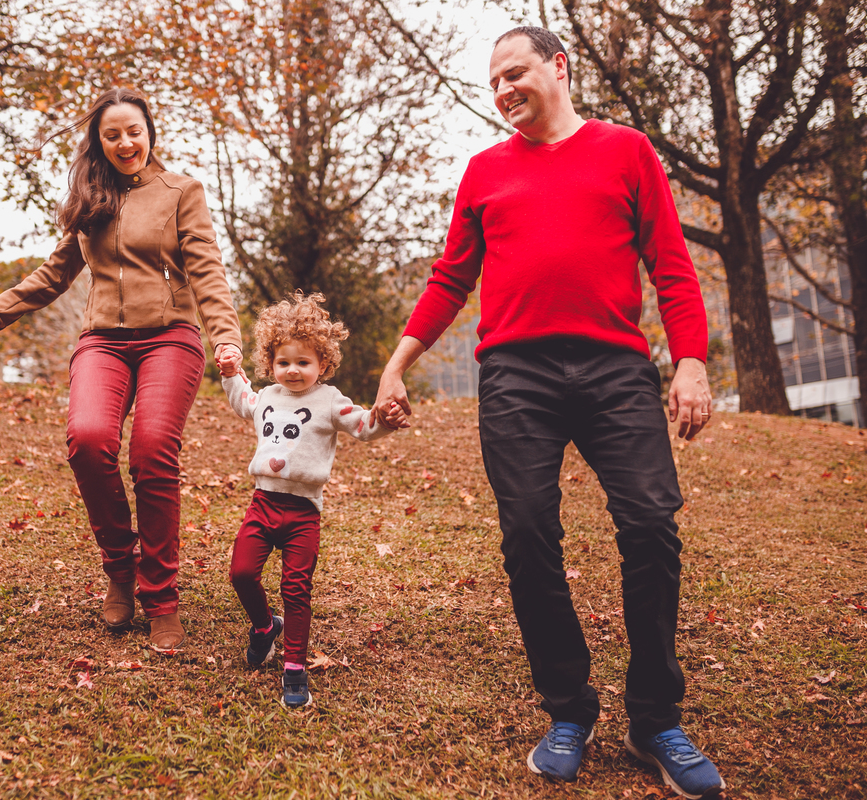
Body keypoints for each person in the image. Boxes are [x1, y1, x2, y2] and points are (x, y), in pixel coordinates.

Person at [370, 26, 725, 799]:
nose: (502, 91)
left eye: (514, 73)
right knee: (528, 529)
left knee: (651, 524)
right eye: (494, 81)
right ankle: (569, 710)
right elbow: (449, 280)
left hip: (616, 367)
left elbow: (671, 265)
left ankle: (656, 718)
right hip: (515, 373)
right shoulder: (485, 172)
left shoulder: (626, 151)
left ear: (558, 67)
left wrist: (691, 360)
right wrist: (398, 364)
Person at [0, 88, 243, 653]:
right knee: (89, 439)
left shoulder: (181, 193)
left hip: (171, 337)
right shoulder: (90, 197)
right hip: (104, 342)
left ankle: (161, 596)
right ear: (99, 140)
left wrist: (226, 339)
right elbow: (56, 272)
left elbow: (208, 272)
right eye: (112, 134)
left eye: (134, 131)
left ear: (150, 132)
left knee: (150, 450)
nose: (125, 142)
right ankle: (121, 570)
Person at [219, 292, 401, 708]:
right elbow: (241, 399)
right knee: (241, 573)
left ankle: (295, 668)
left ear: (323, 363)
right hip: (262, 504)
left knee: (296, 588)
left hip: (303, 513)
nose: (293, 370)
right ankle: (265, 627)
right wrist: (232, 372)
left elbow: (364, 425)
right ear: (271, 364)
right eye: (284, 362)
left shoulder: (329, 401)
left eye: (304, 362)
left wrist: (385, 420)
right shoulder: (266, 397)